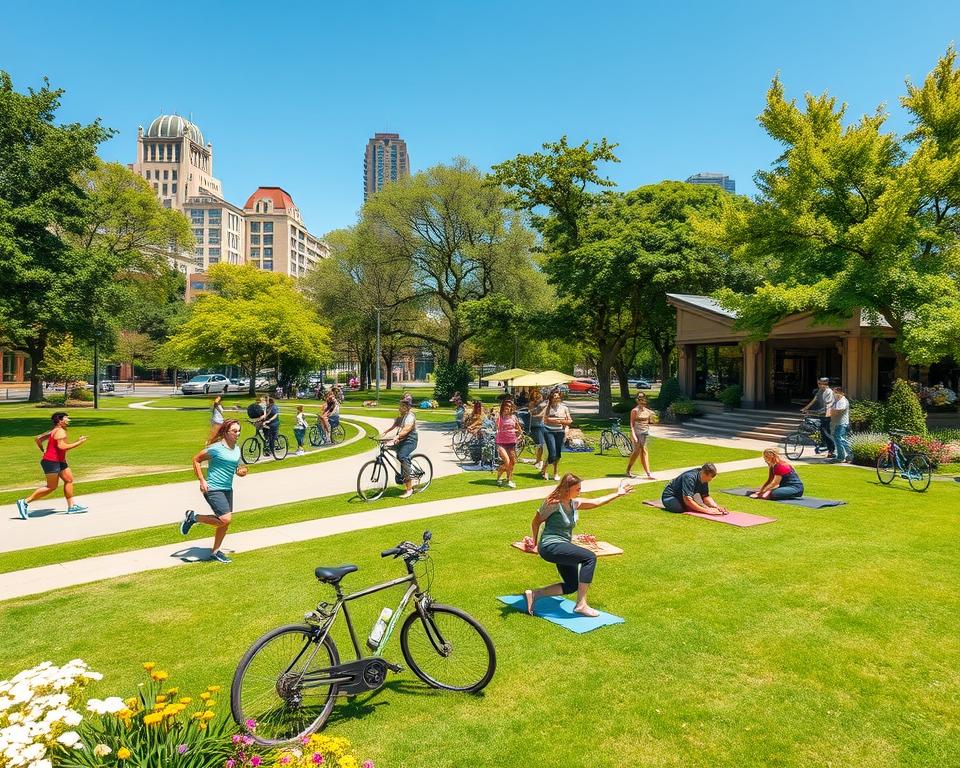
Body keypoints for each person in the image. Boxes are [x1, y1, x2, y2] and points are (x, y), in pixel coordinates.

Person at [523, 473, 633, 618]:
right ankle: (581, 604)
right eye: (577, 489)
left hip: (561, 545)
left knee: (571, 585)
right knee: (589, 558)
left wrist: (618, 494)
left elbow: (597, 502)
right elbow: (535, 522)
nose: (579, 491)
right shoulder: (553, 503)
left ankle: (535, 594)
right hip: (550, 546)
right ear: (567, 488)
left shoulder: (573, 503)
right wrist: (534, 543)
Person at [179, 419, 248, 563]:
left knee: (225, 523)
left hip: (227, 489)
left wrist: (241, 471)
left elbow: (236, 467)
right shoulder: (216, 448)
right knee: (225, 519)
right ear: (225, 432)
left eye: (239, 430)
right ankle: (193, 517)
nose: (238, 433)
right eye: (234, 431)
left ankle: (215, 552)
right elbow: (196, 459)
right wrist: (202, 480)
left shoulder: (236, 448)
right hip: (213, 488)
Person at [17, 412, 88, 519]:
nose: (69, 420)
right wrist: (79, 442)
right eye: (66, 418)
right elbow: (62, 447)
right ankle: (25, 502)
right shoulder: (60, 431)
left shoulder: (54, 430)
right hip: (52, 461)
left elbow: (38, 439)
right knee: (51, 487)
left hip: (60, 461)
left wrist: (43, 450)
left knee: (69, 480)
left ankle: (71, 506)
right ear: (60, 420)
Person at [380, 394, 419, 499]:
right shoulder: (401, 417)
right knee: (387, 448)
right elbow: (394, 427)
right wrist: (384, 435)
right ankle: (400, 475)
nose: (399, 408)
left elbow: (406, 429)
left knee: (402, 456)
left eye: (401, 406)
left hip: (410, 441)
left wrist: (397, 436)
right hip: (402, 439)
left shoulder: (410, 416)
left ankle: (409, 489)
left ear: (406, 408)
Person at [660, 463, 728, 515]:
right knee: (680, 509)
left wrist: (717, 507)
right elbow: (687, 499)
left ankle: (690, 506)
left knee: (694, 506)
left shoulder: (704, 479)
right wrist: (706, 510)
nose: (711, 479)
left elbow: (705, 496)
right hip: (670, 497)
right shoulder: (690, 478)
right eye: (711, 476)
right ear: (705, 474)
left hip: (683, 498)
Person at [541, 388, 572, 481]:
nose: (556, 399)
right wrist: (559, 420)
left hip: (560, 431)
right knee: (552, 453)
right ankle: (545, 470)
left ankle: (555, 472)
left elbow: (569, 420)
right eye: (554, 397)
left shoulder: (564, 408)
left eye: (558, 397)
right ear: (551, 398)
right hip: (549, 431)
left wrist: (561, 421)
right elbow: (545, 419)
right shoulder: (547, 407)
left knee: (558, 454)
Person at [802, 377, 836, 458]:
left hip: (827, 415)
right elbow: (814, 400)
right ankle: (828, 449)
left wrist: (816, 412)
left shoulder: (829, 392)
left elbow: (828, 405)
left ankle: (832, 449)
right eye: (818, 383)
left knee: (825, 432)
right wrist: (805, 408)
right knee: (823, 432)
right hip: (821, 414)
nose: (819, 385)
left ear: (826, 383)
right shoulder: (820, 391)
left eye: (820, 383)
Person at [625, 392, 656, 480]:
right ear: (638, 401)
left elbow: (651, 421)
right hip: (636, 432)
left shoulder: (648, 411)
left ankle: (648, 473)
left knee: (644, 451)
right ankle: (628, 469)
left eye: (644, 401)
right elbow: (631, 424)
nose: (643, 402)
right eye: (641, 400)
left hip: (645, 433)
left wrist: (654, 419)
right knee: (636, 452)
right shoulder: (634, 411)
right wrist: (633, 435)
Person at [495, 398, 522, 488]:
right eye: (506, 406)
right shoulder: (499, 417)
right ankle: (504, 478)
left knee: (512, 462)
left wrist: (518, 436)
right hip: (501, 442)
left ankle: (506, 478)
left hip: (511, 442)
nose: (508, 408)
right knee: (507, 461)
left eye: (509, 407)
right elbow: (497, 428)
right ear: (503, 407)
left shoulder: (513, 417)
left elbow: (519, 430)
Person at [830, 384, 852, 463]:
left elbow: (837, 411)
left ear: (842, 393)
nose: (834, 394)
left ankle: (845, 456)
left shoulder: (842, 401)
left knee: (840, 439)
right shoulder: (836, 400)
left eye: (836, 392)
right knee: (840, 439)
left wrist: (831, 410)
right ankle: (846, 455)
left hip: (841, 423)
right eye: (834, 392)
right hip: (837, 423)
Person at [528, 389, 548, 471]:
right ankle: (537, 460)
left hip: (540, 425)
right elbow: (530, 411)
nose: (536, 400)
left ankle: (540, 461)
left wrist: (533, 412)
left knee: (540, 444)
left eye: (537, 398)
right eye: (534, 398)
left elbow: (541, 415)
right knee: (537, 444)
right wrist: (533, 409)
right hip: (532, 425)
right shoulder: (532, 404)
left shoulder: (544, 404)